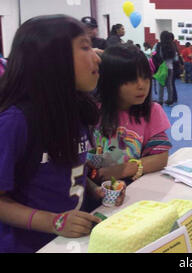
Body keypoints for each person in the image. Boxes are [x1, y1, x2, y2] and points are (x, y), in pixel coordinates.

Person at [0, 15, 125, 253]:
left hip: (72, 243)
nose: (97, 56)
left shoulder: (75, 110)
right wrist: (53, 221)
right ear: (52, 58)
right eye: (85, 47)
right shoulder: (14, 123)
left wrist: (96, 190)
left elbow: (70, 170)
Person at [88, 44, 172, 188]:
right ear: (110, 81)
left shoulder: (152, 111)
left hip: (132, 188)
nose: (142, 85)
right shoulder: (91, 110)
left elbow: (161, 157)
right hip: (90, 190)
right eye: (132, 80)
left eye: (146, 77)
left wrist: (123, 170)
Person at [153, 31, 177, 105]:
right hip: (170, 67)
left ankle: (160, 100)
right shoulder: (173, 46)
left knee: (161, 84)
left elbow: (158, 55)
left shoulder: (159, 45)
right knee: (169, 84)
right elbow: (175, 59)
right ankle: (170, 100)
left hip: (162, 67)